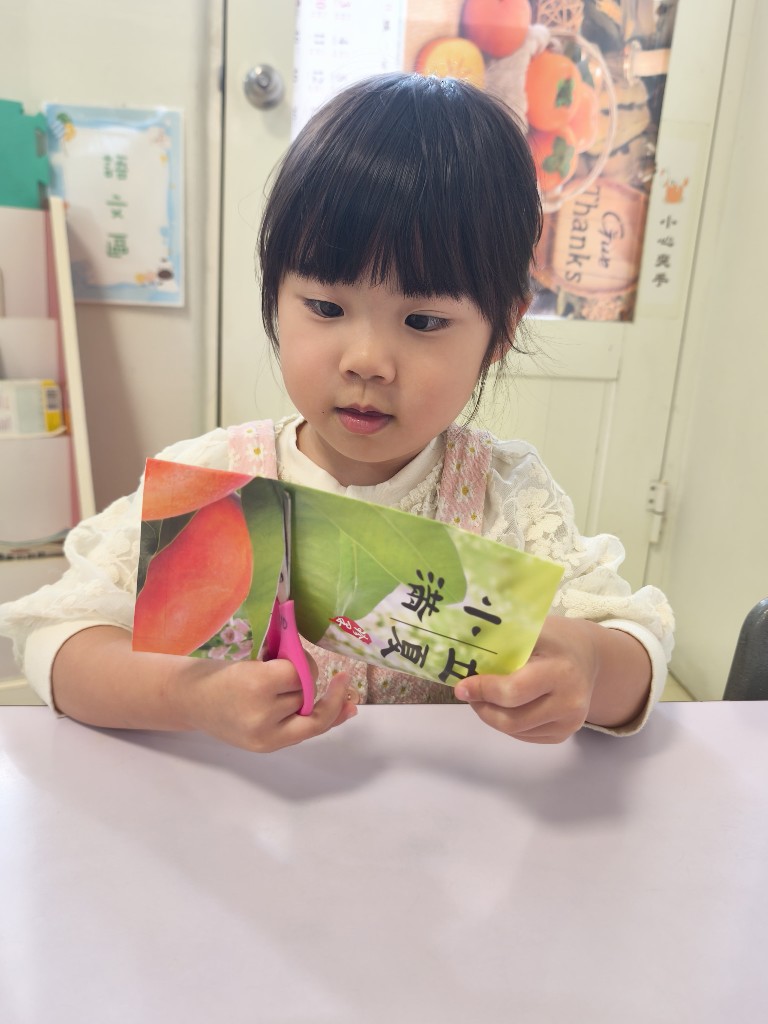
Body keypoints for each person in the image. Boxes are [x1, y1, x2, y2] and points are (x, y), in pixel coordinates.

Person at [0, 73, 673, 750]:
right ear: (275, 295)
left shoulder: (508, 500)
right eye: (326, 307)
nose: (367, 361)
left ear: (501, 331)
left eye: (423, 320)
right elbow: (57, 636)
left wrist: (589, 666)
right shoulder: (218, 481)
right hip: (236, 808)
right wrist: (187, 698)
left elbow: (636, 654)